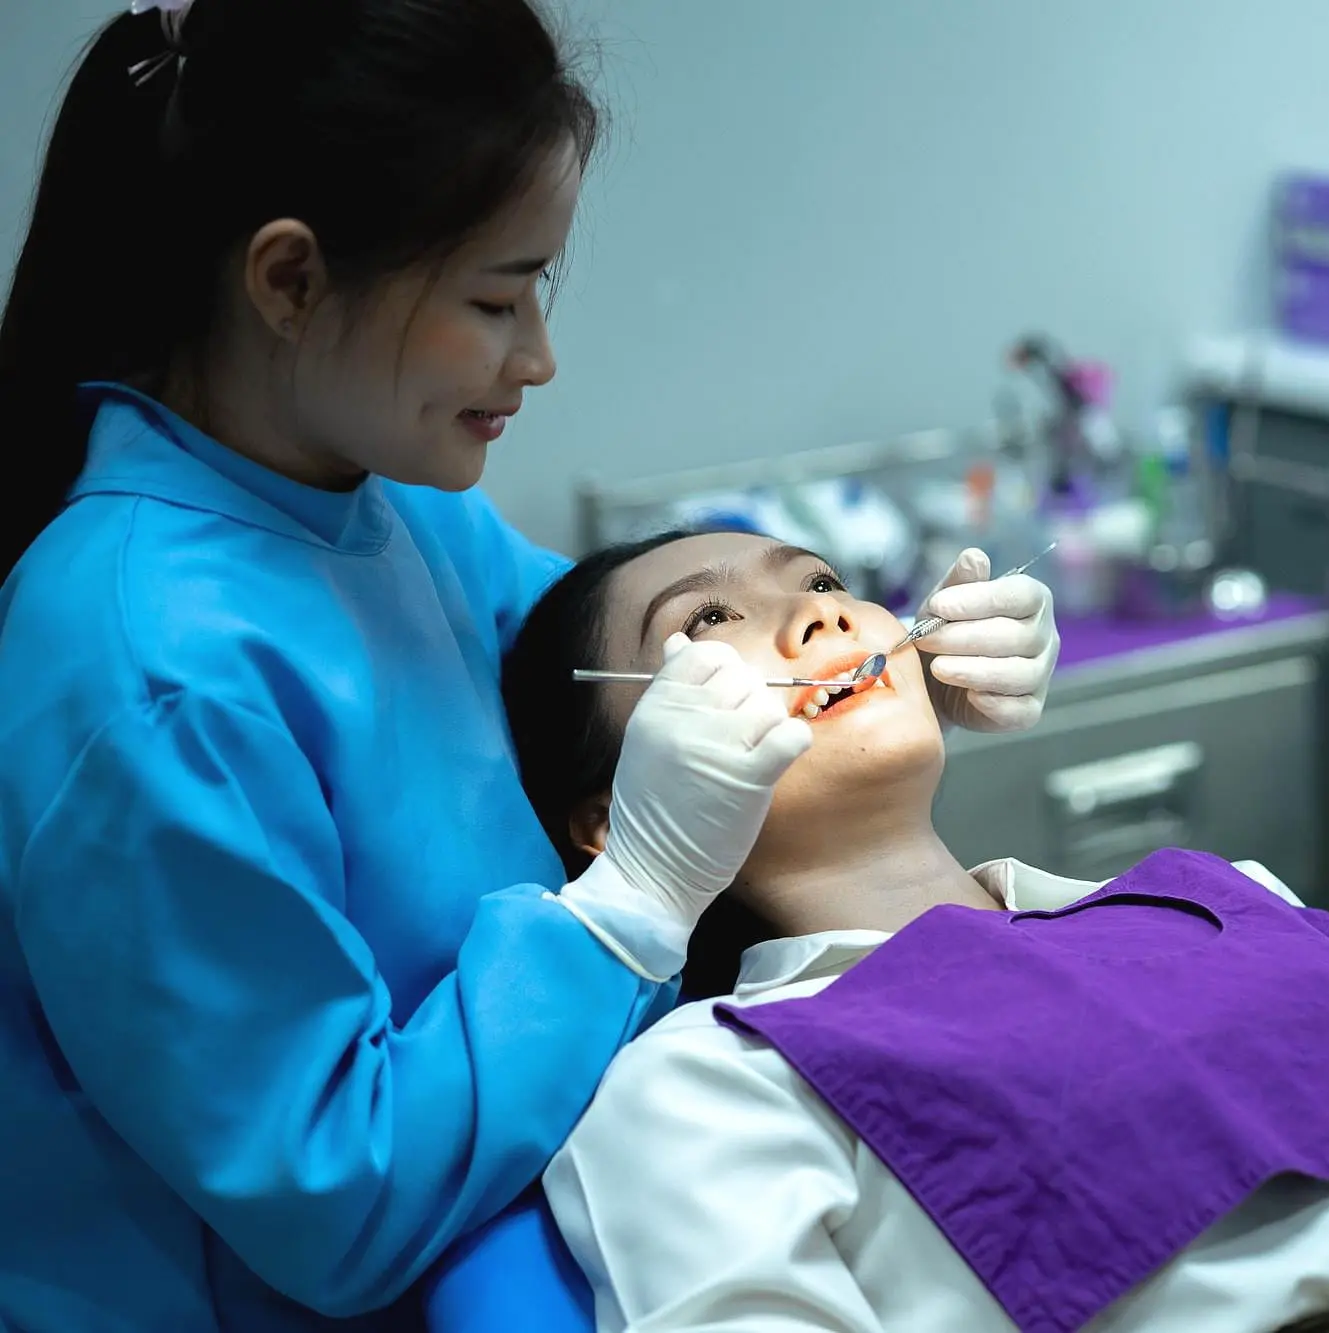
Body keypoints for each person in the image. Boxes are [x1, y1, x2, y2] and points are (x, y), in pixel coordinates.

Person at [0, 5, 1058, 1331]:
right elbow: (330, 1200)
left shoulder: (393, 510)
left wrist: (912, 674)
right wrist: (629, 904)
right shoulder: (144, 666)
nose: (538, 359)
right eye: (497, 299)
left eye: (539, 292)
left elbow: (607, 688)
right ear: (289, 281)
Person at [501, 529, 1329, 1333]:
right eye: (702, 627)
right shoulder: (708, 1078)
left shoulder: (1211, 895)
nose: (819, 622)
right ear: (614, 814)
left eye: (820, 583)